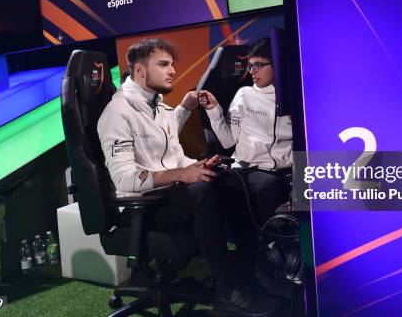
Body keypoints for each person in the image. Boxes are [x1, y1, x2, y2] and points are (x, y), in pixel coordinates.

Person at [97, 38, 277, 316]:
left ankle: (247, 276)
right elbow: (125, 179)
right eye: (163, 65)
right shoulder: (117, 113)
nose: (172, 71)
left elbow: (176, 158)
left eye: (172, 65)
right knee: (200, 192)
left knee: (226, 179)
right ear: (140, 71)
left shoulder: (159, 107)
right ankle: (227, 290)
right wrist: (184, 173)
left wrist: (199, 165)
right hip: (140, 208)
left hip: (167, 197)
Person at [198, 37, 293, 223]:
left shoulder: (297, 95)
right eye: (250, 66)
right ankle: (268, 245)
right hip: (252, 168)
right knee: (269, 186)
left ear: (278, 64)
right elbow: (227, 142)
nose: (252, 71)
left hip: (289, 168)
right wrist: (214, 111)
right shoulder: (245, 95)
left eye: (258, 65)